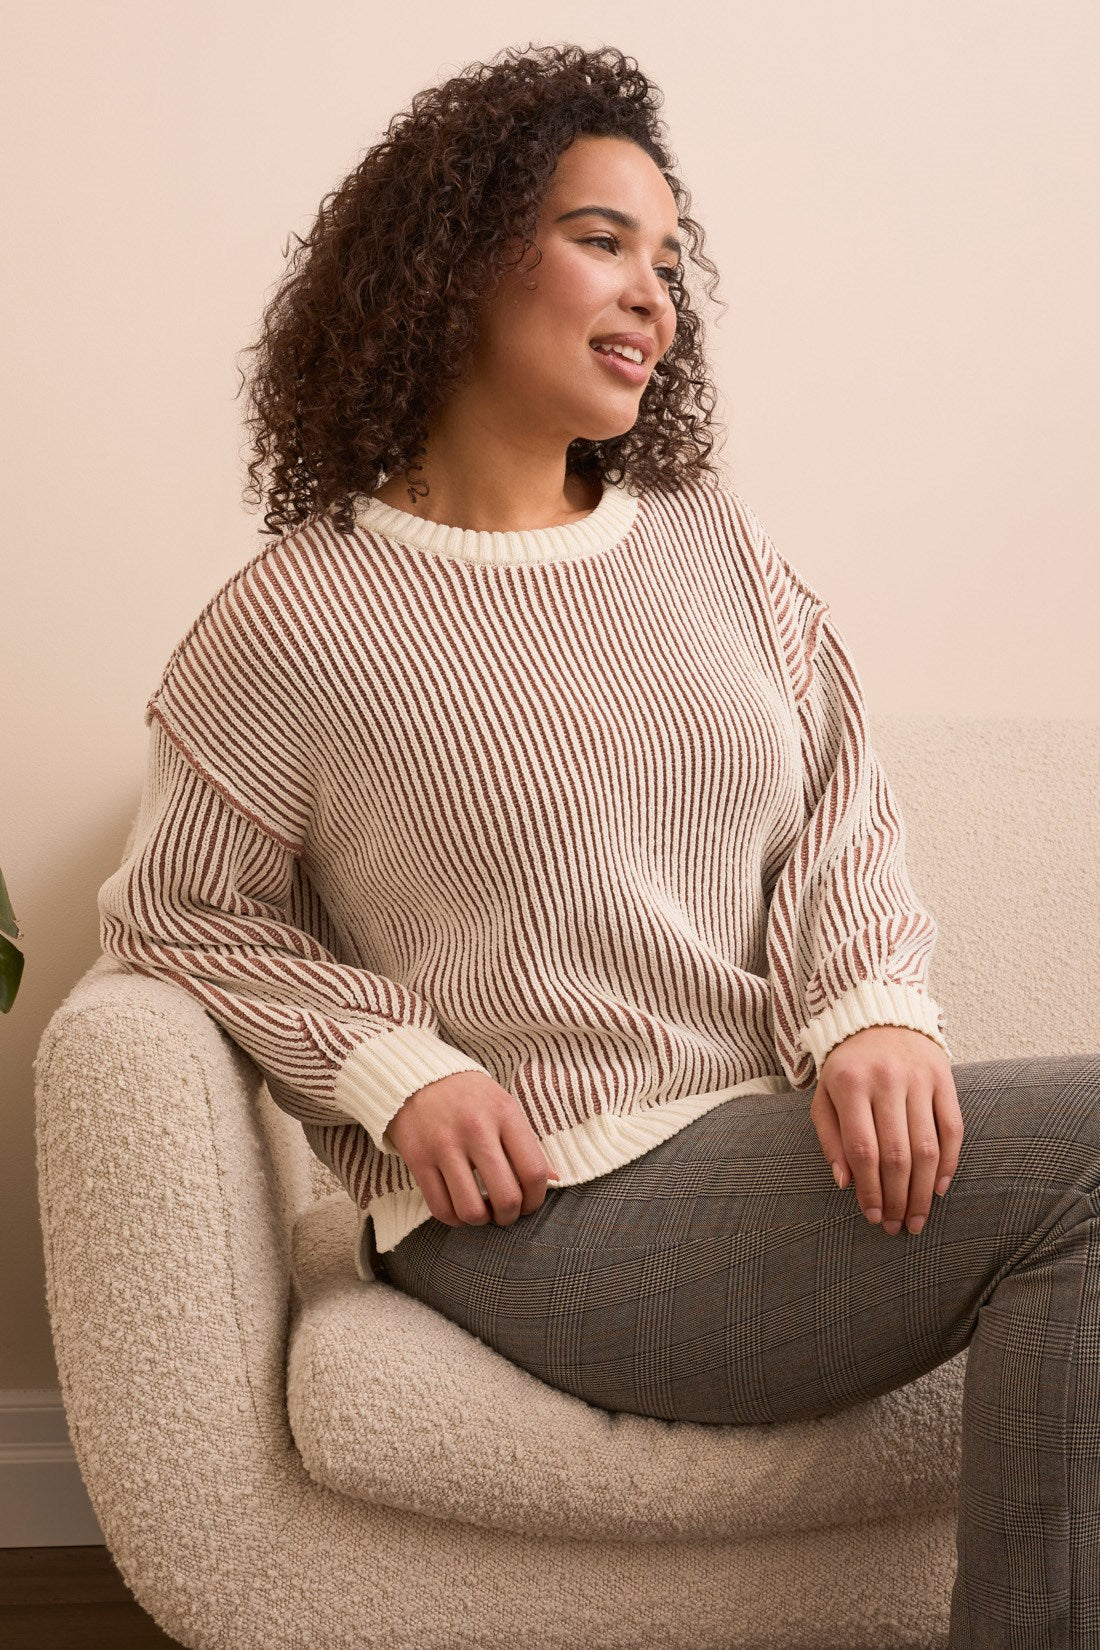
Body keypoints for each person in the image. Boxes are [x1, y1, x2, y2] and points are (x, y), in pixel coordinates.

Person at [97, 42, 1100, 1646]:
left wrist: (869, 1012)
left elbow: (837, 796)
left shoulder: (711, 542)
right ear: (461, 256)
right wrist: (393, 1068)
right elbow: (177, 913)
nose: (655, 297)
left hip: (758, 1151)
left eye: (670, 259)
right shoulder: (291, 622)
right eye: (602, 240)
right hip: (544, 1212)